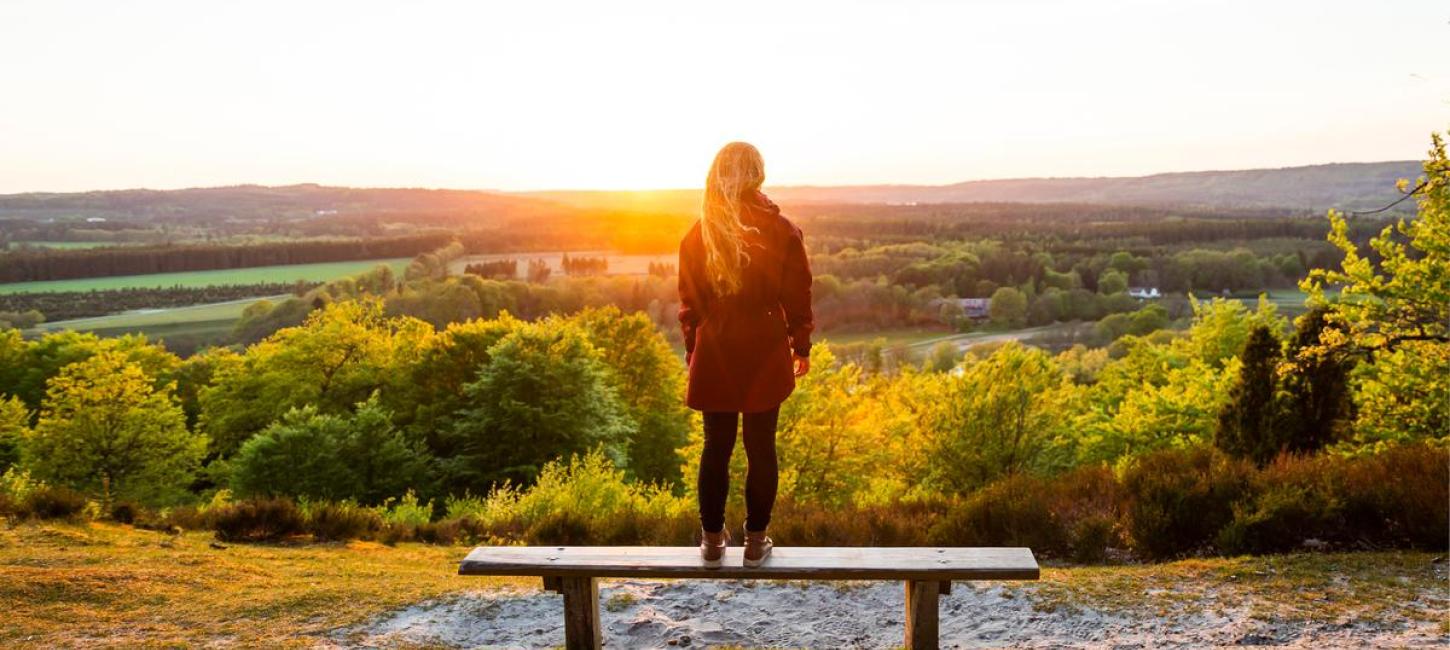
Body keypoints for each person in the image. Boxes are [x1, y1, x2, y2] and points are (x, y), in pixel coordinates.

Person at [678, 142, 814, 568]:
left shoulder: (699, 232)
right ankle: (756, 543)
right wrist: (801, 345)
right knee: (761, 447)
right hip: (765, 345)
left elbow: (689, 304)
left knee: (715, 446)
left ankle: (712, 543)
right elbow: (798, 295)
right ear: (759, 173)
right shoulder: (783, 230)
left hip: (716, 345)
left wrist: (693, 350)